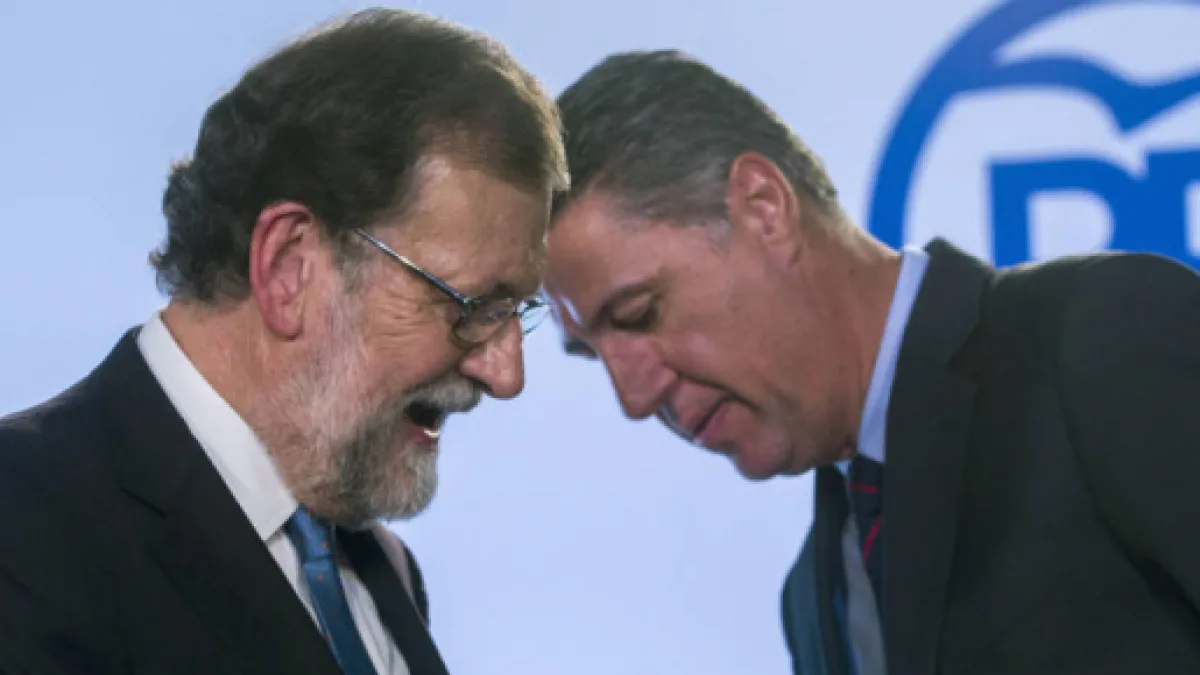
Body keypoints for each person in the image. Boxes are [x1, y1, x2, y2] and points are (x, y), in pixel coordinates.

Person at [543, 49, 1200, 675]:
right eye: (591, 354)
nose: (632, 397)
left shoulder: (1100, 336)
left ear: (763, 208)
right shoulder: (812, 595)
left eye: (639, 314)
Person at [0, 8, 566, 675]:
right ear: (289, 266)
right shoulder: (21, 523)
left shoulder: (385, 569)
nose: (507, 374)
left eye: (516, 311)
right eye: (473, 306)